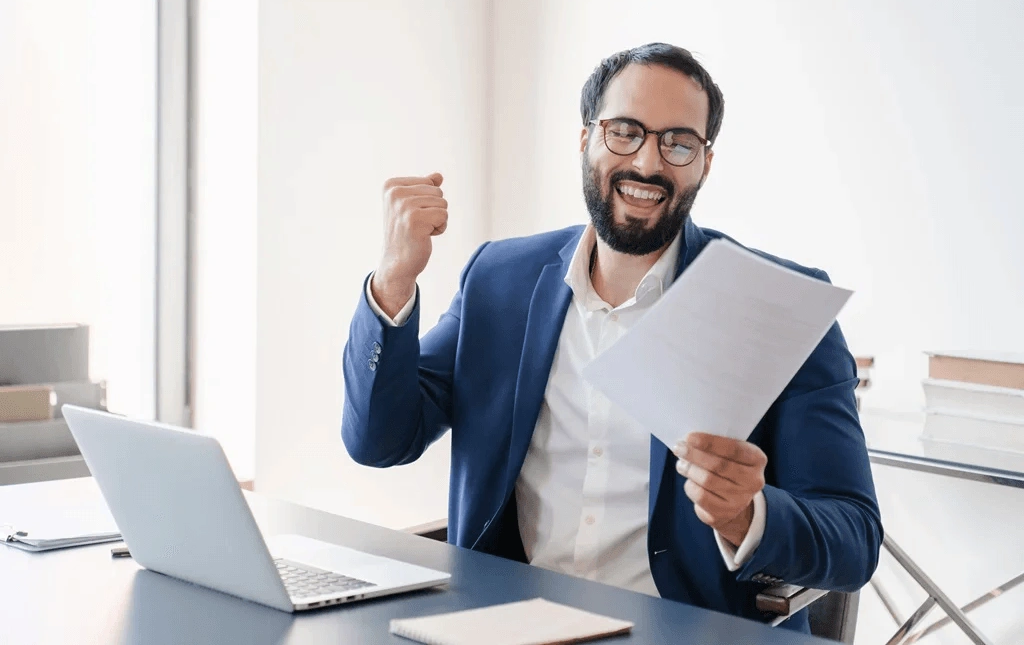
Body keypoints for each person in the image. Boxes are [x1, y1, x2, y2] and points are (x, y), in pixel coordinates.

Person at [341, 42, 882, 632]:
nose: (648, 163)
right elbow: (380, 440)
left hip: (686, 630)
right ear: (585, 139)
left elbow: (854, 538)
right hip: (507, 625)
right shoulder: (500, 280)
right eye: (625, 131)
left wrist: (748, 515)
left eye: (678, 142)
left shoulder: (776, 304)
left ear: (704, 163)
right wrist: (394, 279)